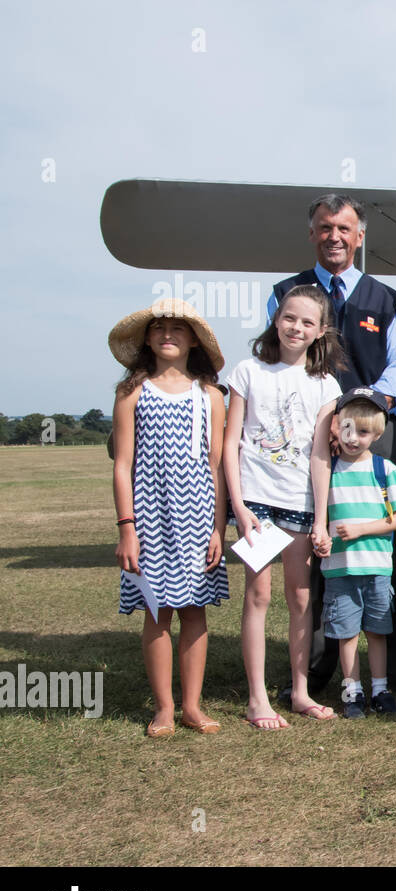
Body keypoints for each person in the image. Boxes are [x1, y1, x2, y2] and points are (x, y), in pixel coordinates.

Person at [268, 194, 396, 699]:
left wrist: (368, 406)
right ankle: (315, 672)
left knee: (387, 550)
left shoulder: (386, 298)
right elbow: (278, 361)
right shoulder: (286, 293)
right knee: (315, 549)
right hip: (308, 442)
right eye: (324, 227)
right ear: (312, 233)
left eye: (345, 228)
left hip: (373, 437)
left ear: (359, 237)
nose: (334, 236)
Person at [110, 300, 229, 737]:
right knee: (156, 612)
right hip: (148, 518)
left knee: (194, 611)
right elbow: (122, 464)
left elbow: (216, 467)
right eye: (158, 328)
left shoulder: (211, 396)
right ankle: (163, 707)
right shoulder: (132, 392)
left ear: (193, 338)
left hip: (198, 518)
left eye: (178, 328)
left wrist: (218, 529)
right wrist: (127, 528)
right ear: (146, 338)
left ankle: (192, 706)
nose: (167, 334)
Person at [226, 285, 343, 727]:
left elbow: (320, 455)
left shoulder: (325, 384)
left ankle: (300, 690)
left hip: (299, 503)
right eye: (290, 318)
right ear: (277, 319)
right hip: (256, 502)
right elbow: (230, 444)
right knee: (258, 594)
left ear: (321, 331)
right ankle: (257, 698)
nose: (297, 327)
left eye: (307, 322)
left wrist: (320, 519)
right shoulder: (247, 371)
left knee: (300, 596)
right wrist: (238, 507)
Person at [309, 389, 396, 718]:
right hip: (339, 569)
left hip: (377, 568)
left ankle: (380, 690)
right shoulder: (327, 473)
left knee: (378, 629)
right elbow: (322, 519)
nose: (353, 439)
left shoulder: (386, 471)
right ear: (336, 428)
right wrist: (322, 539)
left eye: (363, 432)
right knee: (346, 632)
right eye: (347, 429)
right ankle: (352, 689)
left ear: (378, 434)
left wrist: (361, 529)